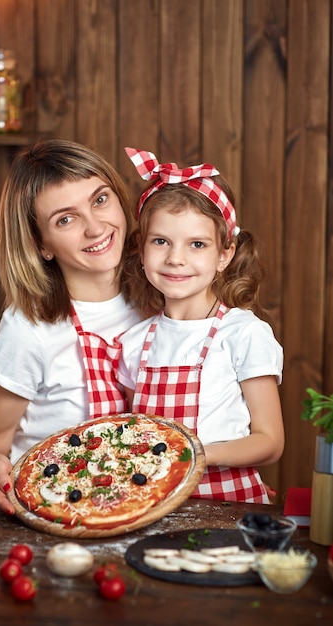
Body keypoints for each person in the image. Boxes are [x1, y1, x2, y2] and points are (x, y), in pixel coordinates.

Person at [0, 139, 140, 514]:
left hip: (141, 502)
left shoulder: (160, 295)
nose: (95, 228)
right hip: (60, 512)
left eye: (100, 200)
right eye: (66, 219)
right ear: (42, 244)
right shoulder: (28, 331)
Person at [117, 147, 284, 504]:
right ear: (141, 250)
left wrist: (196, 454)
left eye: (197, 244)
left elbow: (270, 442)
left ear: (224, 254)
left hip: (229, 510)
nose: (176, 259)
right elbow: (135, 438)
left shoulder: (243, 334)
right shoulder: (134, 343)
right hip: (153, 507)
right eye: (161, 241)